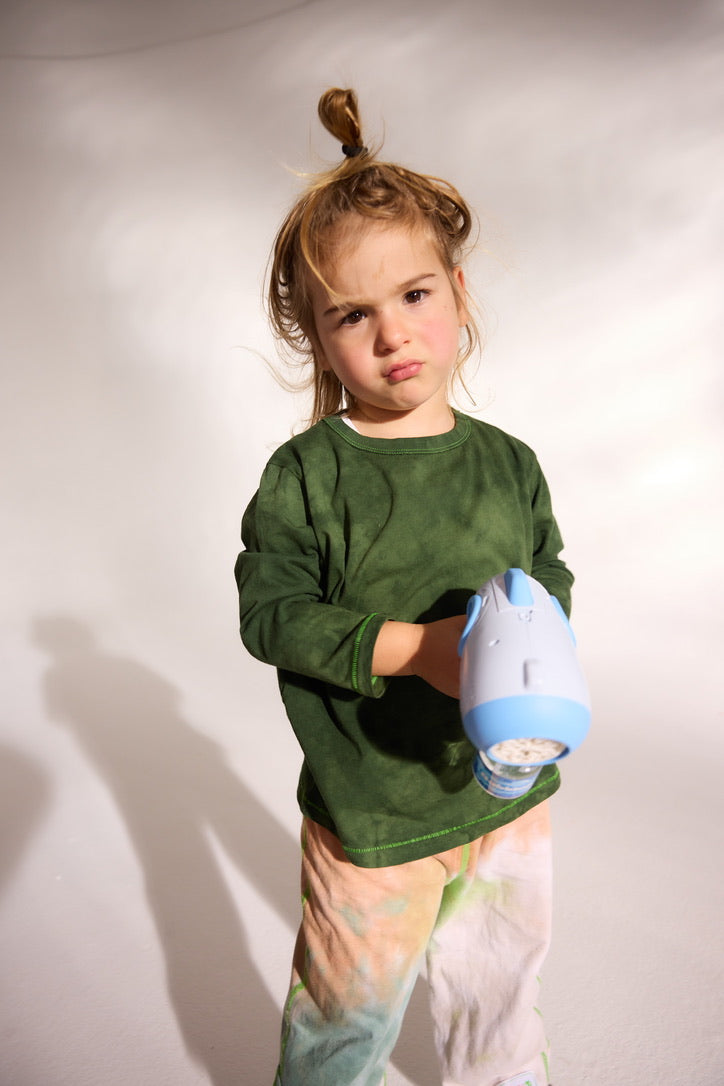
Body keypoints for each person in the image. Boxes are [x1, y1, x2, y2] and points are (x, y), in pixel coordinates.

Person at [235, 87, 572, 1086]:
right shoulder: (308, 477)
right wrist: (417, 650)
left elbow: (549, 568)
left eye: (415, 295)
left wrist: (540, 637)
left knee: (500, 993)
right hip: (372, 818)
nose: (393, 335)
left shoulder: (507, 461)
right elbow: (273, 615)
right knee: (346, 1019)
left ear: (457, 292)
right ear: (316, 335)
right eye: (354, 314)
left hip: (507, 799)